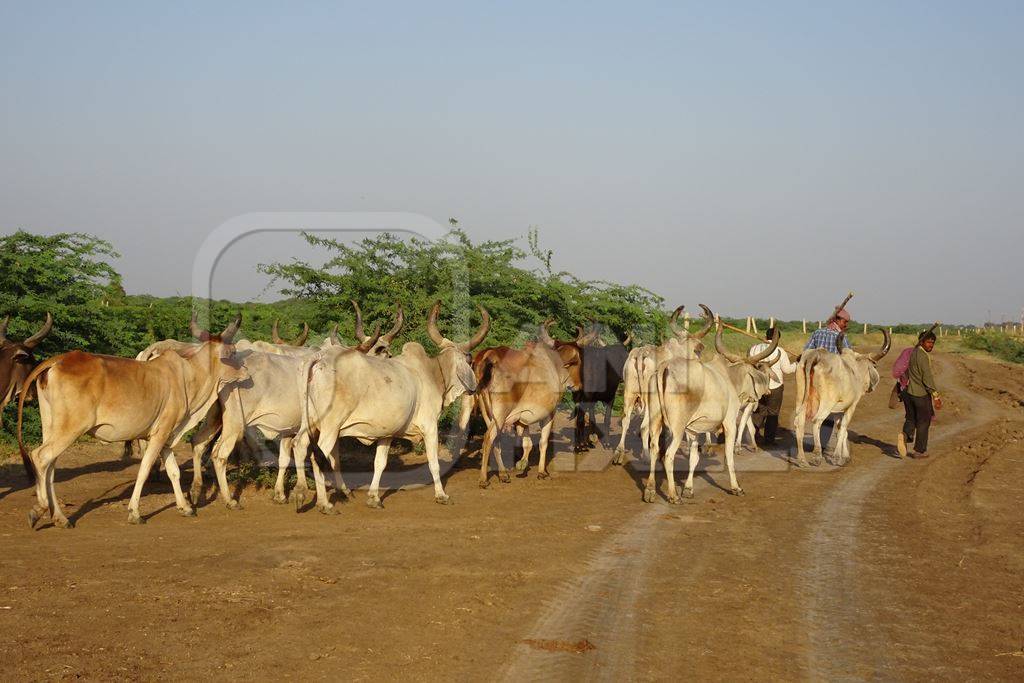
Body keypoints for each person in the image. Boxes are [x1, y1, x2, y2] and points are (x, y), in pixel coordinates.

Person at [749, 327, 797, 446]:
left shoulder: (753, 349)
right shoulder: (780, 351)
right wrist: (797, 363)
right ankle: (769, 440)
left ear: (766, 337)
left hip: (757, 386)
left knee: (758, 411)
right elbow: (787, 370)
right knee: (772, 413)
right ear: (777, 339)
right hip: (775, 386)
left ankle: (753, 436)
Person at [897, 331, 941, 459]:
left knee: (911, 418)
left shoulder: (913, 353)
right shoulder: (922, 356)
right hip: (920, 394)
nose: (930, 345)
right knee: (923, 422)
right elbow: (927, 378)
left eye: (932, 343)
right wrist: (935, 395)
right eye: (928, 342)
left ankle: (905, 435)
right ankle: (919, 451)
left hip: (908, 393)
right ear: (922, 342)